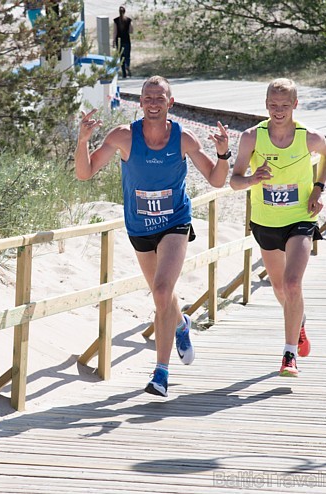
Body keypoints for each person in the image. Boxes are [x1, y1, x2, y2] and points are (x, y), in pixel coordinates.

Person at [74, 76, 230, 397]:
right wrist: (83, 139)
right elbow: (84, 172)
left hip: (175, 222)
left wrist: (224, 154)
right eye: (148, 97)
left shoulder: (183, 139)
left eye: (160, 97)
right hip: (139, 228)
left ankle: (161, 374)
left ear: (170, 103)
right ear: (141, 103)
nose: (154, 102)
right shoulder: (123, 136)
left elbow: (215, 180)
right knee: (163, 296)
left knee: (160, 290)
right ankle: (182, 324)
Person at [229, 78, 326, 378]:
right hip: (266, 221)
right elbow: (235, 180)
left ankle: (289, 355)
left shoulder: (308, 137)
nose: (278, 111)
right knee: (278, 288)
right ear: (266, 105)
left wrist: (317, 189)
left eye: (285, 106)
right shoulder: (251, 137)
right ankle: (299, 322)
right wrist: (252, 179)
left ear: (295, 105)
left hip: (300, 218)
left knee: (291, 284)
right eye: (273, 106)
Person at [113, 6, 133, 78]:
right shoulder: (128, 20)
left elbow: (115, 32)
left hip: (119, 41)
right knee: (127, 56)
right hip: (127, 40)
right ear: (125, 11)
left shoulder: (116, 20)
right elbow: (131, 31)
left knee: (121, 57)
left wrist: (113, 41)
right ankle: (127, 65)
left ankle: (124, 73)